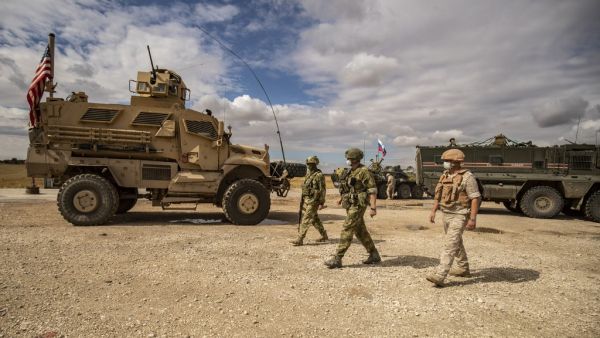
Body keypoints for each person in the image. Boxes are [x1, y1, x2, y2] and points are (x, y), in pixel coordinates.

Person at [426, 148, 481, 287]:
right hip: (446, 213)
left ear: (456, 162)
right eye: (445, 161)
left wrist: (472, 218)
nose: (445, 163)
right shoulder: (445, 175)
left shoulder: (468, 177)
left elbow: (475, 198)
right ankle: (463, 268)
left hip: (460, 214)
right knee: (456, 241)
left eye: (447, 161)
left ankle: (440, 274)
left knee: (450, 244)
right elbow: (438, 196)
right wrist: (433, 211)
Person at [325, 148, 381, 268]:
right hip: (350, 204)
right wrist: (341, 199)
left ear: (355, 159)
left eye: (349, 158)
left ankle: (338, 258)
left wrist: (373, 207)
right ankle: (374, 254)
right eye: (348, 158)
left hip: (358, 205)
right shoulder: (351, 171)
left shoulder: (364, 171)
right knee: (360, 231)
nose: (348, 160)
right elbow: (348, 188)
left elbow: (372, 190)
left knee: (347, 228)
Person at [291, 156, 328, 246]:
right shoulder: (308, 174)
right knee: (315, 220)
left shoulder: (319, 175)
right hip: (307, 199)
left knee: (306, 218)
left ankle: (300, 239)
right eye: (308, 164)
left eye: (311, 164)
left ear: (315, 164)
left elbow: (322, 189)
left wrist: (322, 203)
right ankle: (324, 235)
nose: (309, 166)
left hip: (314, 201)